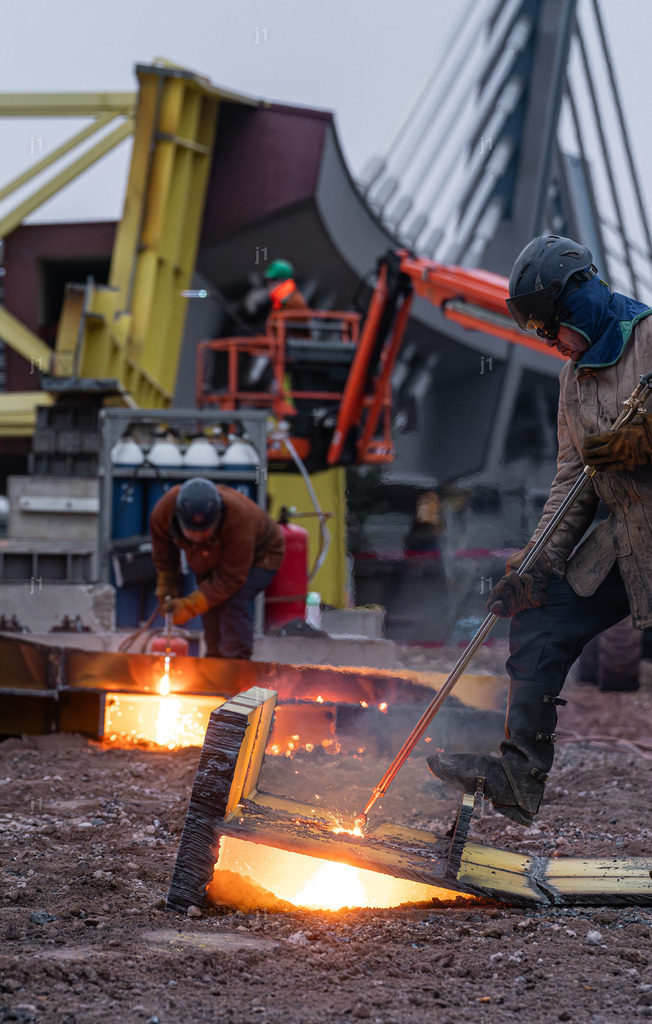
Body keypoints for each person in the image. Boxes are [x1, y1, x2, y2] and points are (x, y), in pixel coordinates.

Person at [427, 234, 652, 826]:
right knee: (541, 612)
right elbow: (570, 482)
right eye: (540, 335)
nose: (550, 343)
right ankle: (518, 773)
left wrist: (645, 445)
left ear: (579, 301)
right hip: (628, 538)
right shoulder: (573, 381)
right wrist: (533, 563)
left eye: (551, 329)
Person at [150, 477, 285, 659]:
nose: (198, 537)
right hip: (210, 555)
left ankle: (235, 666)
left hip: (261, 555)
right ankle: (214, 663)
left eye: (204, 531)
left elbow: (232, 579)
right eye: (192, 532)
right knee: (210, 607)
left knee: (233, 602)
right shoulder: (163, 512)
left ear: (217, 518)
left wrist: (189, 606)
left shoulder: (238, 520)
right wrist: (167, 586)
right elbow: (164, 556)